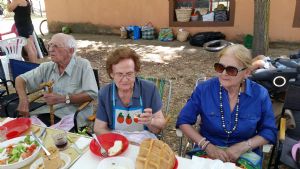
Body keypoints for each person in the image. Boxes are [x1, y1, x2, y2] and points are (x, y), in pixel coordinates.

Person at [176, 44, 277, 168]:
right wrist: (206, 145)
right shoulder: (204, 90)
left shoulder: (260, 94)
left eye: (231, 70)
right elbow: (183, 121)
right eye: (219, 67)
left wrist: (244, 146)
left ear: (246, 72)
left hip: (245, 153)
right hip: (207, 151)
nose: (223, 74)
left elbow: (269, 130)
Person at [15, 33, 98, 130]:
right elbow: (20, 79)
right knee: (29, 130)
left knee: (55, 139)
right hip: (50, 112)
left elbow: (92, 94)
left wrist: (62, 99)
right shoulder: (47, 67)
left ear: (70, 51)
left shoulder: (83, 65)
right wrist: (24, 100)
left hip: (73, 114)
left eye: (56, 46)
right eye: (50, 45)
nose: (50, 50)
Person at [94, 47, 166, 143]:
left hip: (143, 140)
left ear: (135, 71)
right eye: (119, 74)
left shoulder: (149, 89)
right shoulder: (105, 93)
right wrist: (122, 141)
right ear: (112, 74)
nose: (124, 79)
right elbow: (98, 129)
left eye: (129, 74)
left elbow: (158, 128)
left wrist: (151, 121)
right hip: (116, 140)